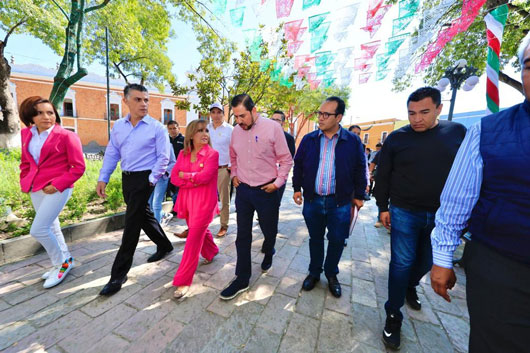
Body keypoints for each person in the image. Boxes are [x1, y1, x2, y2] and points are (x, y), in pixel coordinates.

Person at [430, 34, 530, 353]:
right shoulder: (487, 131)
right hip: (503, 268)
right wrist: (443, 258)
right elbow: (458, 200)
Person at [374, 87, 466, 350]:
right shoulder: (396, 138)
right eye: (411, 113)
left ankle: (410, 286)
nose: (416, 119)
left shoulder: (457, 133)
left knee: (427, 261)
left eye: (424, 112)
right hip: (404, 211)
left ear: (438, 108)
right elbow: (384, 174)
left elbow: (469, 173)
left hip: (442, 216)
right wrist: (383, 206)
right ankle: (393, 315)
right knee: (401, 263)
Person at [96, 83, 174, 296]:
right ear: (126, 101)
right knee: (143, 215)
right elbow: (112, 152)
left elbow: (163, 158)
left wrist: (151, 180)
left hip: (145, 179)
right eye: (138, 99)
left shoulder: (156, 127)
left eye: (146, 99)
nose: (143, 104)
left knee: (131, 225)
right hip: (127, 178)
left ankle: (118, 275)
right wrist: (103, 178)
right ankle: (165, 245)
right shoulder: (119, 126)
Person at [219, 94, 293, 300]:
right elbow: (233, 156)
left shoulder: (273, 128)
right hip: (243, 190)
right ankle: (242, 278)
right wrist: (234, 174)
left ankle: (269, 249)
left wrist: (277, 184)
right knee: (242, 235)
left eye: (242, 115)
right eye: (236, 116)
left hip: (266, 191)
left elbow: (286, 160)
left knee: (269, 230)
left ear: (254, 110)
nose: (239, 121)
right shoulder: (236, 131)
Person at [293, 96, 366, 298]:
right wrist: (297, 188)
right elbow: (298, 165)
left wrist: (359, 195)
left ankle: (331, 274)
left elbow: (361, 169)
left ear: (339, 117)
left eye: (326, 114)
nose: (321, 118)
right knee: (315, 238)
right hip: (313, 200)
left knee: (336, 239)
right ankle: (314, 272)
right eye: (320, 113)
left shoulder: (352, 141)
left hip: (340, 202)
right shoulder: (309, 140)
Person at [18, 96, 86, 289]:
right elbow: (25, 162)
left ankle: (59, 264)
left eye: (50, 112)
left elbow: (78, 167)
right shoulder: (26, 134)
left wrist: (57, 185)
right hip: (35, 187)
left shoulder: (66, 135)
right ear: (30, 116)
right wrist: (25, 180)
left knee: (38, 229)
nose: (47, 117)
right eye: (40, 113)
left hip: (57, 188)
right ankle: (67, 259)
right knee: (52, 227)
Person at [170, 119, 220, 299]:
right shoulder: (183, 154)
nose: (205, 133)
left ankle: (183, 280)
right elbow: (174, 178)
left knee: (192, 239)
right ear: (191, 134)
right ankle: (212, 251)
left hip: (205, 202)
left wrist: (187, 177)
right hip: (188, 200)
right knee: (197, 231)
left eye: (206, 130)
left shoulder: (212, 154)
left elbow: (205, 177)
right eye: (200, 130)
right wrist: (192, 179)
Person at [207, 102, 233, 238]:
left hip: (223, 169)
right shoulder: (206, 128)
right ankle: (201, 224)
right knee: (205, 198)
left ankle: (224, 225)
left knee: (224, 199)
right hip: (208, 169)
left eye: (219, 112)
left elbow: (235, 149)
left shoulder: (230, 129)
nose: (216, 115)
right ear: (210, 114)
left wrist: (230, 165)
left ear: (223, 113)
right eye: (213, 112)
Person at [270, 110, 296, 203]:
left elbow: (289, 159)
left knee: (275, 203)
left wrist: (280, 176)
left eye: (277, 120)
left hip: (279, 176)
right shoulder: (265, 135)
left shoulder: (288, 138)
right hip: (265, 176)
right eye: (272, 119)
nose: (274, 122)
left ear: (283, 123)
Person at [148, 146, 176, 226]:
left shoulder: (167, 145)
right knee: (149, 204)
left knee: (156, 203)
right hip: (149, 178)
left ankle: (157, 228)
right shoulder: (148, 144)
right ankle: (164, 215)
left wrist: (166, 172)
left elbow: (173, 162)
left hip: (161, 178)